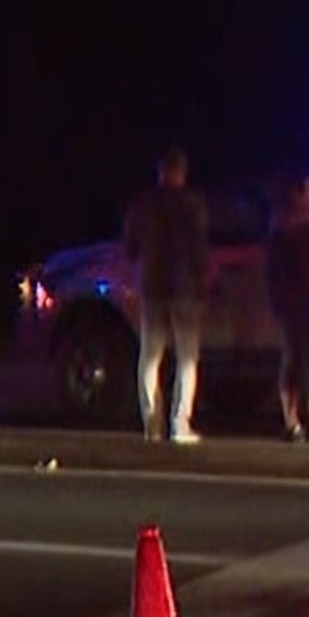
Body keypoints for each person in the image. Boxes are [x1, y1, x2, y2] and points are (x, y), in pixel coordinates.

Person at [119, 146, 211, 443]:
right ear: (182, 172)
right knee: (187, 358)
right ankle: (179, 423)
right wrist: (202, 281)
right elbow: (200, 250)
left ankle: (151, 423)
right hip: (184, 289)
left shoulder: (143, 205)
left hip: (152, 286)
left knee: (150, 356)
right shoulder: (193, 204)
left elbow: (130, 246)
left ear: (161, 171)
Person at [267, 175, 309, 442]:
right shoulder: (305, 229)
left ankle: (291, 422)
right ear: (298, 194)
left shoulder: (278, 226)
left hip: (286, 305)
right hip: (307, 303)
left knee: (292, 358)